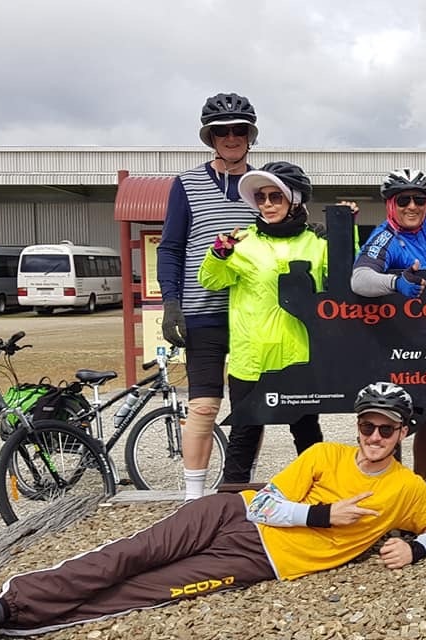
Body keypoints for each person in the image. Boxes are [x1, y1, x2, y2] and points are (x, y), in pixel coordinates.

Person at [0, 382, 426, 640]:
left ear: (403, 433)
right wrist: (321, 516)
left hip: (267, 559)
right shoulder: (324, 454)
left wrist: (414, 545)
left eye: (386, 428)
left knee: (150, 588)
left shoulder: (407, 488)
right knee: (129, 553)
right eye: (366, 425)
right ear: (356, 425)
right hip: (230, 514)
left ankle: (1, 626)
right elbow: (265, 501)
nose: (374, 436)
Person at [157, 92, 260, 499]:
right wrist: (170, 301)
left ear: (250, 135)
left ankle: (237, 488)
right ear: (210, 137)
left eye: (239, 130)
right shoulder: (186, 184)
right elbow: (171, 246)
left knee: (251, 409)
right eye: (222, 131)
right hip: (202, 314)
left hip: (251, 314)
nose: (231, 137)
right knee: (203, 406)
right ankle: (193, 498)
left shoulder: (264, 184)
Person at [198, 161, 328, 481]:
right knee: (243, 439)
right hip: (250, 361)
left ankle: (320, 500)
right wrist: (218, 255)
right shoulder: (241, 241)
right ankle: (229, 508)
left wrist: (343, 232)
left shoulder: (317, 243)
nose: (267, 204)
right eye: (261, 197)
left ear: (295, 199)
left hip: (299, 359)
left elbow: (344, 280)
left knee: (308, 438)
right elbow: (209, 281)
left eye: (276, 197)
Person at [351, 168, 426, 477]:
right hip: (395, 339)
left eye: (419, 199)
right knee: (391, 415)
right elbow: (360, 279)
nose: (412, 207)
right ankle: (391, 480)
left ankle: (419, 481)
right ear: (391, 204)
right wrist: (395, 283)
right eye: (403, 200)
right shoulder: (385, 236)